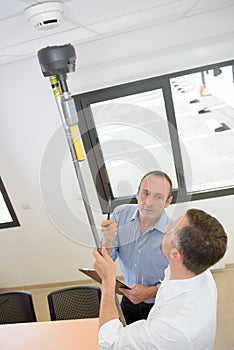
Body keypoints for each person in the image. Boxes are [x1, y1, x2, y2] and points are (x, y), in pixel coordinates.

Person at [93, 208, 228, 350]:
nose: (167, 227)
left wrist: (108, 281)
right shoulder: (198, 268)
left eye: (171, 229)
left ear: (176, 255)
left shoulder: (172, 327)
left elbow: (110, 343)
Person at [101, 170, 173, 324]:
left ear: (168, 202)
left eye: (158, 196)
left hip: (161, 305)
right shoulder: (120, 215)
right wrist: (107, 240)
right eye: (145, 193)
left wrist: (151, 292)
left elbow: (179, 282)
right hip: (128, 302)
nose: (149, 202)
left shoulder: (174, 233)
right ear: (137, 193)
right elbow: (104, 260)